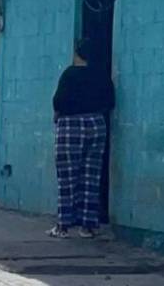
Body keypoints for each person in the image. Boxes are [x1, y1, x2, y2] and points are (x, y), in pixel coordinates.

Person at [48, 38, 115, 239]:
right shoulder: (102, 75)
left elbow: (58, 100)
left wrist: (59, 113)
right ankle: (88, 226)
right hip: (96, 123)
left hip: (71, 125)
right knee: (91, 176)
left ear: (78, 54)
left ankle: (63, 226)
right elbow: (110, 101)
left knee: (67, 177)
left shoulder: (70, 74)